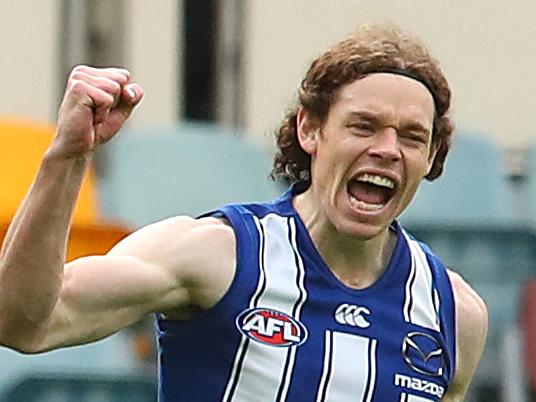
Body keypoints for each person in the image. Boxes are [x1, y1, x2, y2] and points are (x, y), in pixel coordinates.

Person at [0, 24, 487, 401]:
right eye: (363, 126)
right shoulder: (216, 253)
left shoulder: (454, 314)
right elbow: (24, 324)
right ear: (310, 130)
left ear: (430, 158)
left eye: (410, 136)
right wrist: (67, 156)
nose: (387, 149)